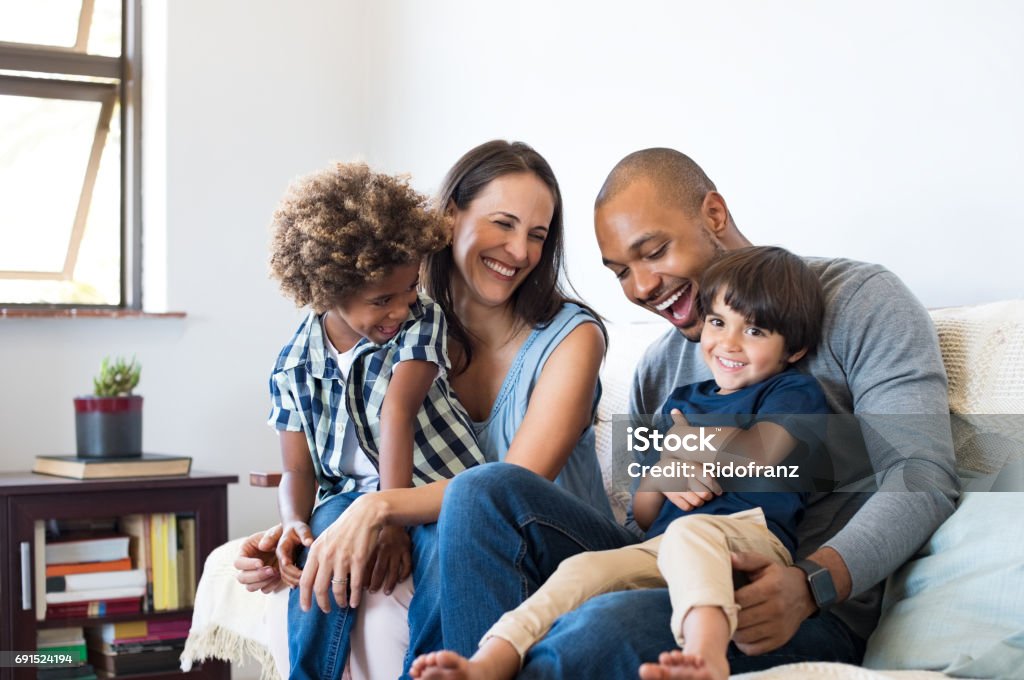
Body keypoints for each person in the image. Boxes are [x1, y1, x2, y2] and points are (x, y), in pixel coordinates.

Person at [434, 147, 959, 678]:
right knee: (481, 491)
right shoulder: (657, 368)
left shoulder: (861, 302)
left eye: (655, 251)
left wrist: (811, 584)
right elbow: (641, 521)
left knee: (597, 631)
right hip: (670, 563)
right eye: (620, 272)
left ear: (713, 215)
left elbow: (922, 474)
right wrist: (667, 468)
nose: (641, 288)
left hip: (792, 601)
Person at [234, 140, 626, 678]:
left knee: (467, 511)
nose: (519, 251)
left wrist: (379, 508)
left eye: (537, 235)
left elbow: (511, 486)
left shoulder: (572, 338)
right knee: (336, 556)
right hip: (451, 534)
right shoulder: (397, 322)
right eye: (503, 224)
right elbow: (342, 452)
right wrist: (296, 530)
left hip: (547, 549)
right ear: (448, 219)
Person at [410, 245, 831, 680]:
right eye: (718, 322)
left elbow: (770, 450)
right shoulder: (681, 400)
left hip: (749, 542)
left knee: (692, 531)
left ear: (794, 349)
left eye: (755, 332)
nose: (728, 343)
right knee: (582, 570)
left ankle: (707, 657)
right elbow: (645, 514)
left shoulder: (792, 392)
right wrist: (667, 470)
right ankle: (490, 660)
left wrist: (693, 447)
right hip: (661, 547)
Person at [263, 161, 488, 678]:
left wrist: (390, 517)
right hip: (347, 497)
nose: (400, 307)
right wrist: (294, 522)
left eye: (409, 288)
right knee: (322, 542)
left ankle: (430, 670)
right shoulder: (293, 364)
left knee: (440, 553)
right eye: (381, 300)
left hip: (437, 487)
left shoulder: (420, 319)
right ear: (327, 290)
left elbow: (397, 412)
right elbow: (297, 470)